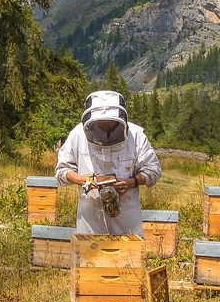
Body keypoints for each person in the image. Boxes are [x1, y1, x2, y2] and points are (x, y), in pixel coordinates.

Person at [55, 90, 161, 234]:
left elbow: (153, 170)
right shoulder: (77, 134)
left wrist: (131, 182)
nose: (105, 126)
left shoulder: (136, 136)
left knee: (128, 255)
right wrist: (80, 179)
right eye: (100, 123)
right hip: (90, 218)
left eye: (109, 122)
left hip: (127, 218)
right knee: (90, 255)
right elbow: (62, 169)